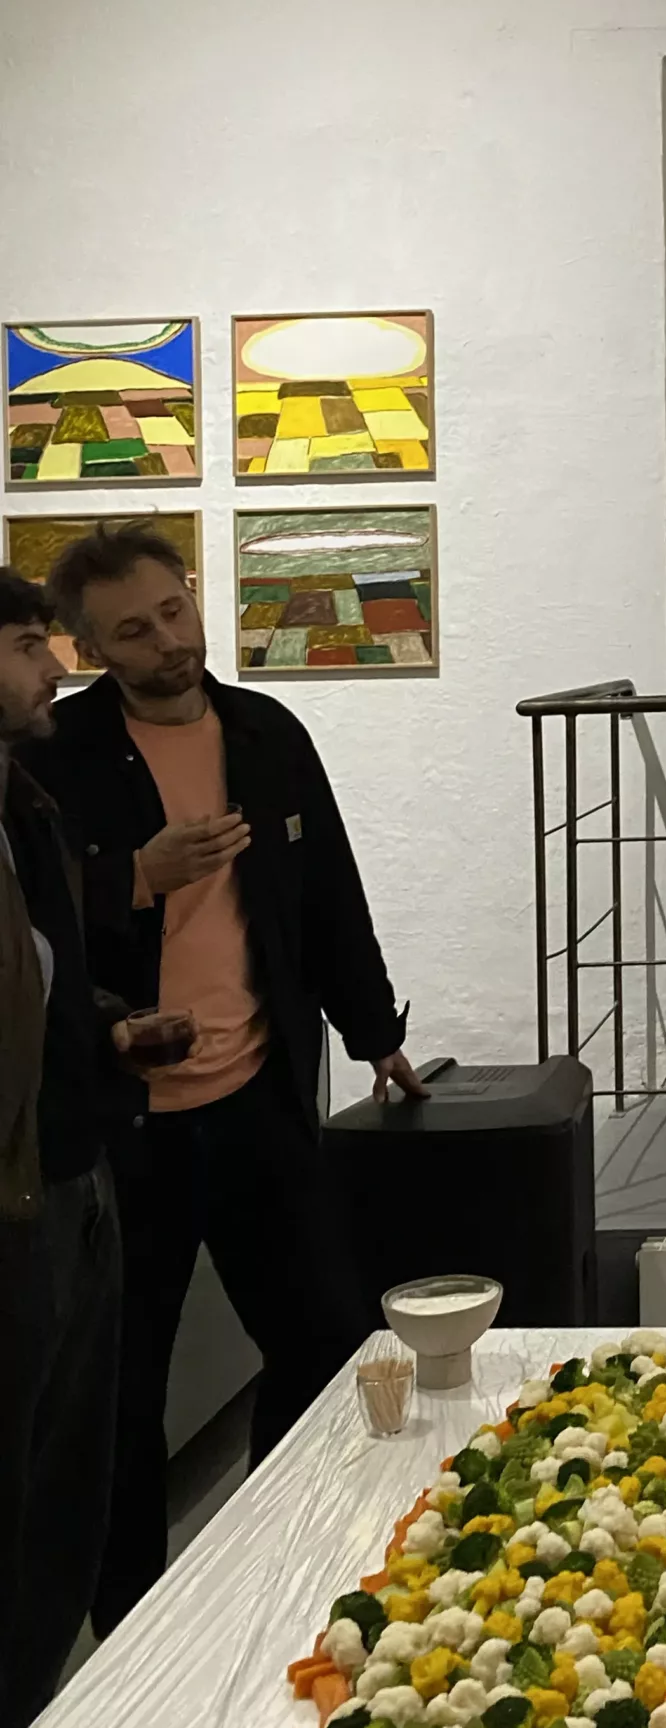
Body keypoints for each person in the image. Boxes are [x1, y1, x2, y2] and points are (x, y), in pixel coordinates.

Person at [34, 521, 428, 1633]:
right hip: (126, 1131)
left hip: (259, 1097)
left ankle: (283, 1564)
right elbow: (29, 924)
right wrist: (131, 878)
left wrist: (374, 1030)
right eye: (132, 631)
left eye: (173, 611)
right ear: (89, 649)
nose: (167, 641)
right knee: (123, 1397)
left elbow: (328, 891)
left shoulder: (264, 730)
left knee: (325, 1344)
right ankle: (134, 1635)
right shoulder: (56, 758)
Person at [0, 569, 150, 1728]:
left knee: (63, 1494)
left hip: (74, 1165)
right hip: (16, 1201)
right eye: (26, 645)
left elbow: (42, 978)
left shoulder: (23, 801)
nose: (53, 668)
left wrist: (107, 1027)